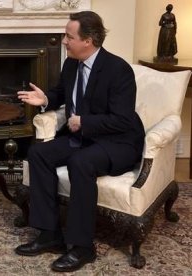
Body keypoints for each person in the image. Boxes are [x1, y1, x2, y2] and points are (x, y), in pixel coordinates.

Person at [15, 11, 145, 272]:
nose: (64, 40)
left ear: (88, 40)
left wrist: (84, 122)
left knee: (80, 162)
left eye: (69, 36)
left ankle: (82, 247)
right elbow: (62, 93)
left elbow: (122, 119)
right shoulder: (71, 64)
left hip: (117, 143)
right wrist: (47, 100)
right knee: (38, 153)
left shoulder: (118, 70)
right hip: (82, 138)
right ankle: (50, 233)